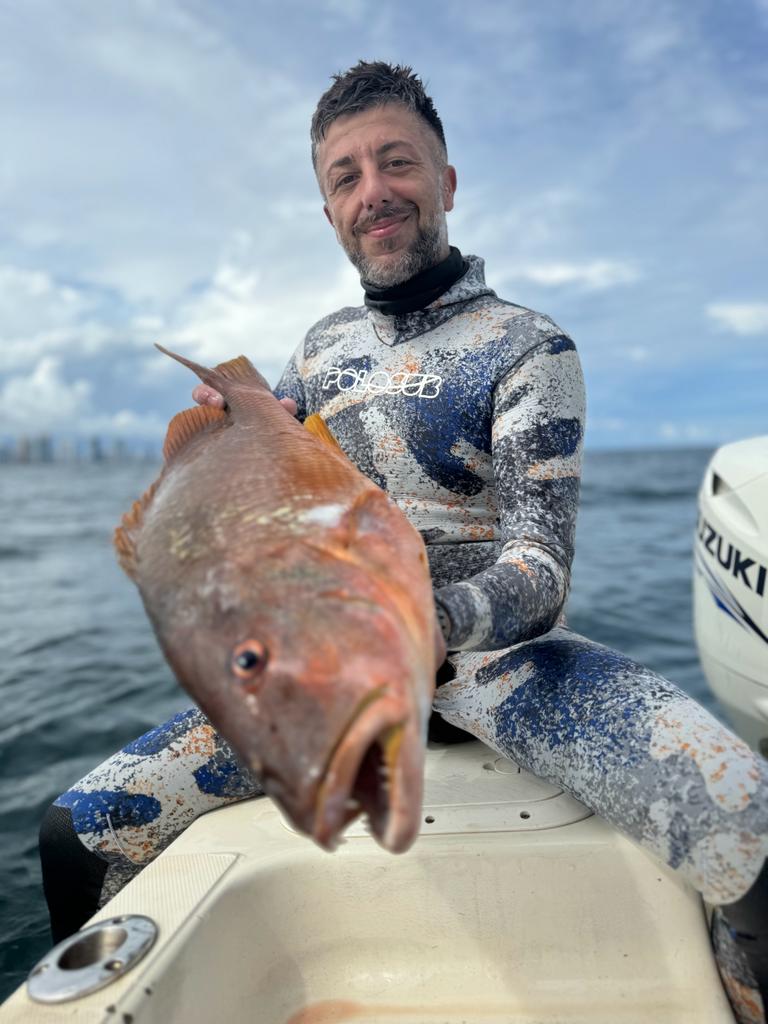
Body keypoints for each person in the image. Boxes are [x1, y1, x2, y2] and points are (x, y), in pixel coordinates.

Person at [39, 61, 767, 1022]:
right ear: (329, 211)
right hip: (331, 672)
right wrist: (225, 431)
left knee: (749, 821)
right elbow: (275, 470)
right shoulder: (320, 348)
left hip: (507, 667)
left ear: (446, 181)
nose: (373, 191)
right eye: (345, 176)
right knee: (78, 833)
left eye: (397, 162)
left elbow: (540, 567)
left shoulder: (528, 345)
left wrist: (424, 622)